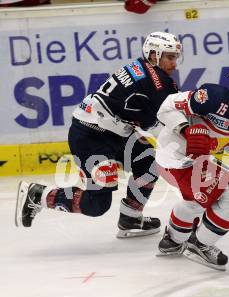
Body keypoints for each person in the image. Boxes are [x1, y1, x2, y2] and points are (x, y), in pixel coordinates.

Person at [15, 31, 182, 239]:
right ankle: (40, 195)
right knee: (96, 205)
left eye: (175, 57)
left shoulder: (145, 68)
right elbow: (166, 123)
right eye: (170, 57)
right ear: (154, 55)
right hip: (92, 137)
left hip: (112, 133)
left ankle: (130, 217)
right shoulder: (158, 84)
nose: (174, 64)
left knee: (148, 162)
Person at [154, 61, 229, 270]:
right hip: (174, 158)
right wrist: (185, 130)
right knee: (205, 197)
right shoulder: (210, 97)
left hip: (199, 161)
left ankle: (173, 241)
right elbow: (165, 107)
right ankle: (197, 245)